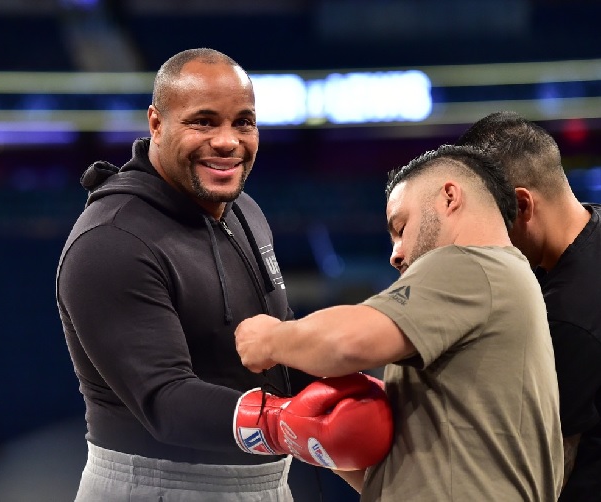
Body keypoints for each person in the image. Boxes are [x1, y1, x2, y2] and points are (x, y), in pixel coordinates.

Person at [55, 47, 392, 502]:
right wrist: (282, 422)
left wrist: (350, 393)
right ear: (156, 123)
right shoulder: (111, 241)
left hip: (267, 484)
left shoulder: (245, 213)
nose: (228, 141)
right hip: (155, 488)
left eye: (244, 122)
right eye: (204, 122)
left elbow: (281, 352)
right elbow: (165, 402)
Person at [235, 144, 565, 501]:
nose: (395, 253)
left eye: (401, 226)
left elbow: (347, 343)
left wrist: (268, 339)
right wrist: (312, 433)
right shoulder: (505, 282)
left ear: (450, 197)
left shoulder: (470, 264)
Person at [456, 111, 601, 501]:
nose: (483, 240)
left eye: (487, 220)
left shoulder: (568, 319)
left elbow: (544, 471)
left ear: (522, 206)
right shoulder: (585, 234)